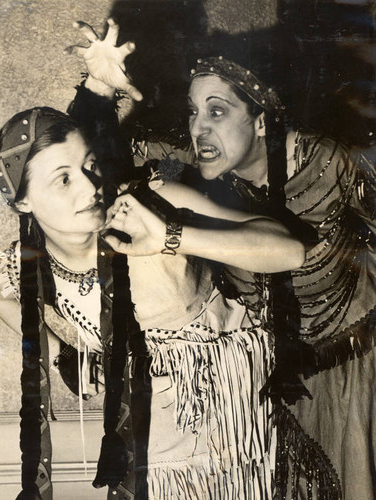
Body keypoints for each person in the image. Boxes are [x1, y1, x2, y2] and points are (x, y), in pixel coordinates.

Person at [67, 18, 376, 499]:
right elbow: (91, 171)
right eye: (193, 113)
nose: (198, 129)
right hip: (263, 391)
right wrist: (99, 87)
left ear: (262, 120)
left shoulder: (334, 164)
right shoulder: (197, 173)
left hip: (358, 378)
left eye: (217, 112)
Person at [0, 105, 138, 500]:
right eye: (63, 179)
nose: (90, 186)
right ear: (22, 202)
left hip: (219, 406)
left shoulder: (138, 224)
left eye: (89, 165)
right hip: (148, 429)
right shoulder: (29, 264)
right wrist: (61, 354)